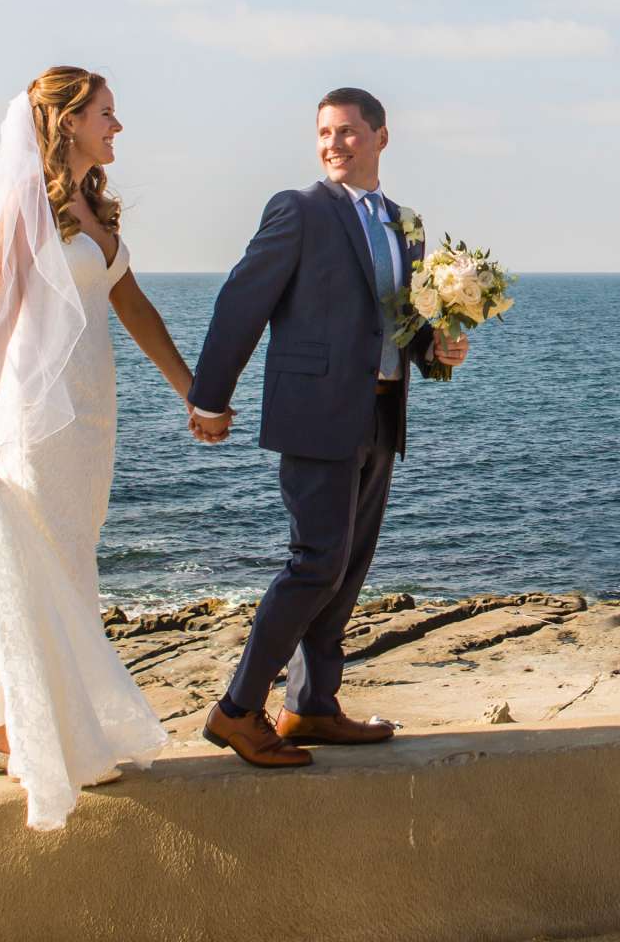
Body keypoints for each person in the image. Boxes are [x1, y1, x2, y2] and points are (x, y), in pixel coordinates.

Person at [186, 86, 470, 768]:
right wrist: (210, 398)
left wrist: (438, 347)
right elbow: (241, 302)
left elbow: (403, 321)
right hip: (313, 414)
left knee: (346, 569)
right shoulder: (299, 210)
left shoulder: (408, 224)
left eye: (346, 131)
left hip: (380, 410)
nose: (333, 143)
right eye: (324, 133)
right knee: (314, 563)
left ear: (380, 136)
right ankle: (236, 709)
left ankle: (312, 705)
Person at [0, 66, 187, 828]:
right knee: (41, 559)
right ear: (68, 123)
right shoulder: (25, 203)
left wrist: (192, 390)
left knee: (69, 552)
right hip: (37, 413)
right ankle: (38, 731)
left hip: (92, 414)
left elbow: (134, 305)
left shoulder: (95, 208)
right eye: (106, 115)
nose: (117, 129)